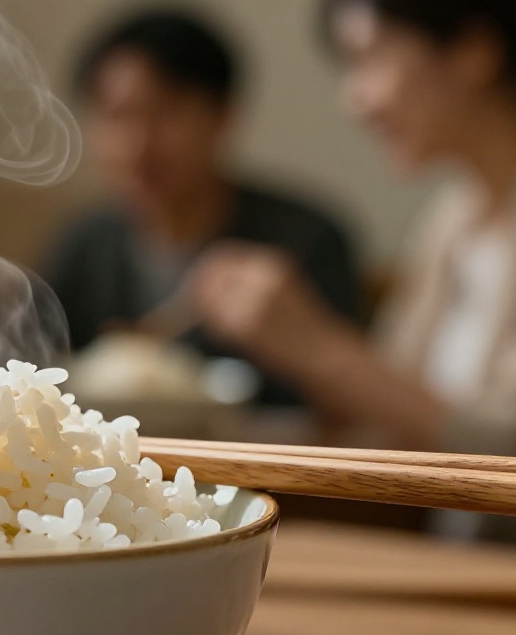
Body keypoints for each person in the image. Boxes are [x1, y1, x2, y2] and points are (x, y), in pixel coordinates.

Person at [186, 0, 516, 565]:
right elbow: (391, 431)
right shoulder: (455, 217)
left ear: (475, 50)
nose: (355, 101)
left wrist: (320, 349)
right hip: (468, 571)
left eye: (370, 59)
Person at [46, 8, 364, 406]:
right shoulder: (87, 243)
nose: (138, 144)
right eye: (117, 116)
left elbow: (341, 406)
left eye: (164, 112)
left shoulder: (304, 240)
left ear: (223, 117)